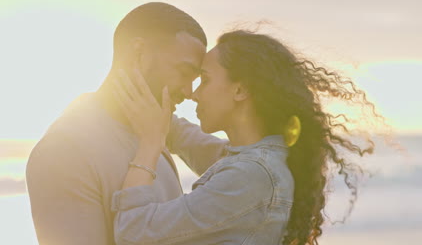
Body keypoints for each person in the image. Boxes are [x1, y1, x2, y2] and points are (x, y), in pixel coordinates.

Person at [111, 30, 379, 244]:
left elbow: (134, 232)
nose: (194, 93)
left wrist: (149, 144)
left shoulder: (252, 175)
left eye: (204, 80)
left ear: (240, 90)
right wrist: (146, 100)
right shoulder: (260, 159)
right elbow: (188, 139)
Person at [26, 2, 210, 245]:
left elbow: (234, 158)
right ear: (138, 53)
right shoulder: (64, 151)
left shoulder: (154, 127)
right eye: (184, 72)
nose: (188, 92)